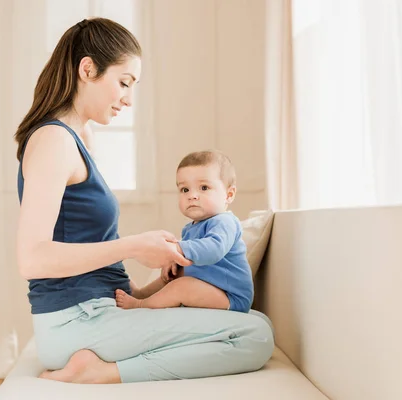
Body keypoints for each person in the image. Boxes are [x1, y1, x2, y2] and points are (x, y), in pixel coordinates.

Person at [15, 17, 274, 384]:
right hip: (75, 323)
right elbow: (32, 259)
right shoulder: (54, 141)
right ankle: (104, 373)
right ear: (87, 69)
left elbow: (87, 250)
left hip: (94, 311)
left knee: (256, 320)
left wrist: (145, 290)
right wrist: (136, 246)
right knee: (255, 336)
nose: (129, 99)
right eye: (124, 83)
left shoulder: (79, 137)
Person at [115, 150, 253, 313]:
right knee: (174, 274)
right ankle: (142, 294)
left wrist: (178, 249)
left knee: (182, 286)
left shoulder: (224, 222)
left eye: (204, 187)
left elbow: (213, 249)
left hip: (230, 296)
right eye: (185, 190)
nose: (192, 195)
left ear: (229, 195)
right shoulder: (191, 227)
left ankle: (140, 305)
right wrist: (175, 260)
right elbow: (192, 256)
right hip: (209, 288)